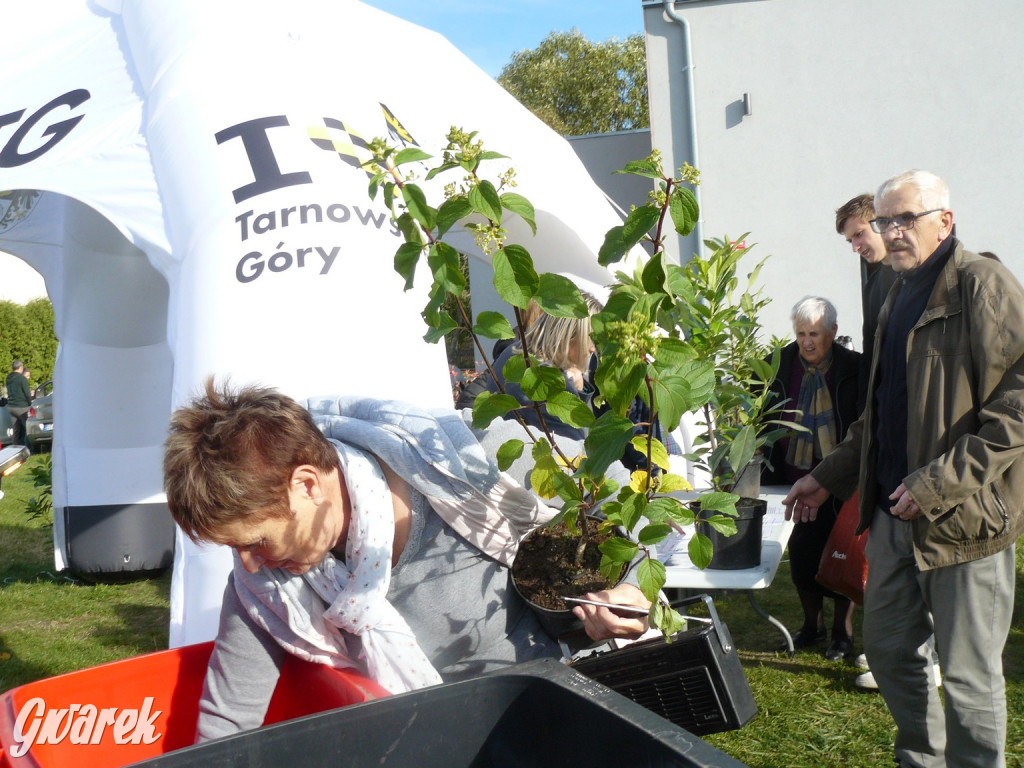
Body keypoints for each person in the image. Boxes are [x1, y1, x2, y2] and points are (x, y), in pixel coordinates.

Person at [164, 380, 650, 742]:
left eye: (255, 541)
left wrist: (629, 587)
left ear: (307, 484)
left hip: (569, 715)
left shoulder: (460, 463)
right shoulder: (267, 586)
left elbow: (606, 486)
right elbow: (227, 721)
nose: (248, 565)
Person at [786, 170, 1021, 768]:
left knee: (968, 678)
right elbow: (879, 415)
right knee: (889, 651)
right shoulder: (893, 295)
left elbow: (1017, 409)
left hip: (965, 522)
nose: (890, 233)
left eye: (902, 220)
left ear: (944, 219)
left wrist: (937, 483)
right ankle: (922, 759)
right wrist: (828, 475)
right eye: (884, 222)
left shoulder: (982, 285)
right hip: (892, 516)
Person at [836, 192, 940, 692]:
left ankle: (927, 657)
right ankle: (905, 655)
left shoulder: (907, 279)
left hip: (922, 442)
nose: (857, 244)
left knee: (926, 557)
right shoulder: (877, 278)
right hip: (887, 435)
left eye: (860, 233)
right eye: (852, 238)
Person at [763, 297, 861, 660]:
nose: (807, 342)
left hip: (841, 478)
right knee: (803, 556)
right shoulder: (781, 363)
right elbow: (765, 410)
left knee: (840, 554)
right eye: (801, 333)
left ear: (832, 333)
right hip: (795, 478)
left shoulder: (855, 366)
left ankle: (842, 633)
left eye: (815, 334)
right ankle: (812, 626)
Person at [5, 360, 32, 446]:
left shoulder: (8, 378)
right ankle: (28, 448)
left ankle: (15, 448)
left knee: (16, 430)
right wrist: (29, 403)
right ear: (21, 368)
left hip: (11, 407)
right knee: (27, 427)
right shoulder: (21, 378)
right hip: (21, 407)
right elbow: (27, 393)